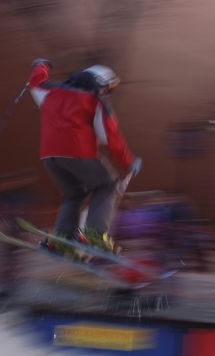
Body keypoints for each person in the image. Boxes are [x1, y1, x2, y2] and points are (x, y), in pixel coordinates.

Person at [27, 58, 142, 257]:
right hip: (78, 153)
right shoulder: (95, 100)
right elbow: (111, 136)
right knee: (108, 184)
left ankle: (64, 238)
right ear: (99, 83)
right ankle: (96, 234)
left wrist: (41, 65)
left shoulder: (49, 92)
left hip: (50, 157)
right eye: (107, 88)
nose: (107, 93)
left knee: (74, 193)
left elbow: (35, 82)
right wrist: (129, 162)